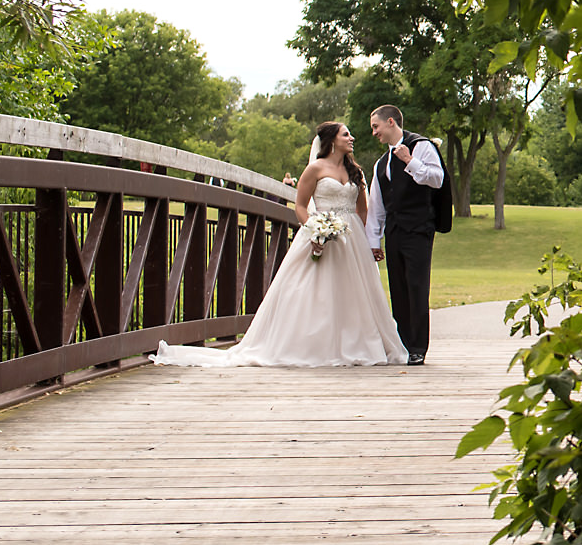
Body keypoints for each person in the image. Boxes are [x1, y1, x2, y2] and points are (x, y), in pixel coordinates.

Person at [151, 122, 408, 367]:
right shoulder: (315, 169)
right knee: (315, 292)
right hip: (321, 233)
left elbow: (363, 209)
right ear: (331, 141)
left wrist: (360, 238)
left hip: (351, 239)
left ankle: (357, 342)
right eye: (345, 134)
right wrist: (315, 231)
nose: (351, 138)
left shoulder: (356, 171)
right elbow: (300, 205)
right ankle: (315, 345)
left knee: (354, 292)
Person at [365, 104, 444, 367]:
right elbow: (377, 205)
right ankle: (404, 345)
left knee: (417, 286)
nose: (374, 132)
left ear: (390, 122)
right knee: (398, 289)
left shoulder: (421, 146)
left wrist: (410, 161)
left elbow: (437, 179)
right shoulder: (380, 164)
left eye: (376, 126)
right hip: (395, 231)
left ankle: (418, 347)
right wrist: (374, 241)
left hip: (419, 229)